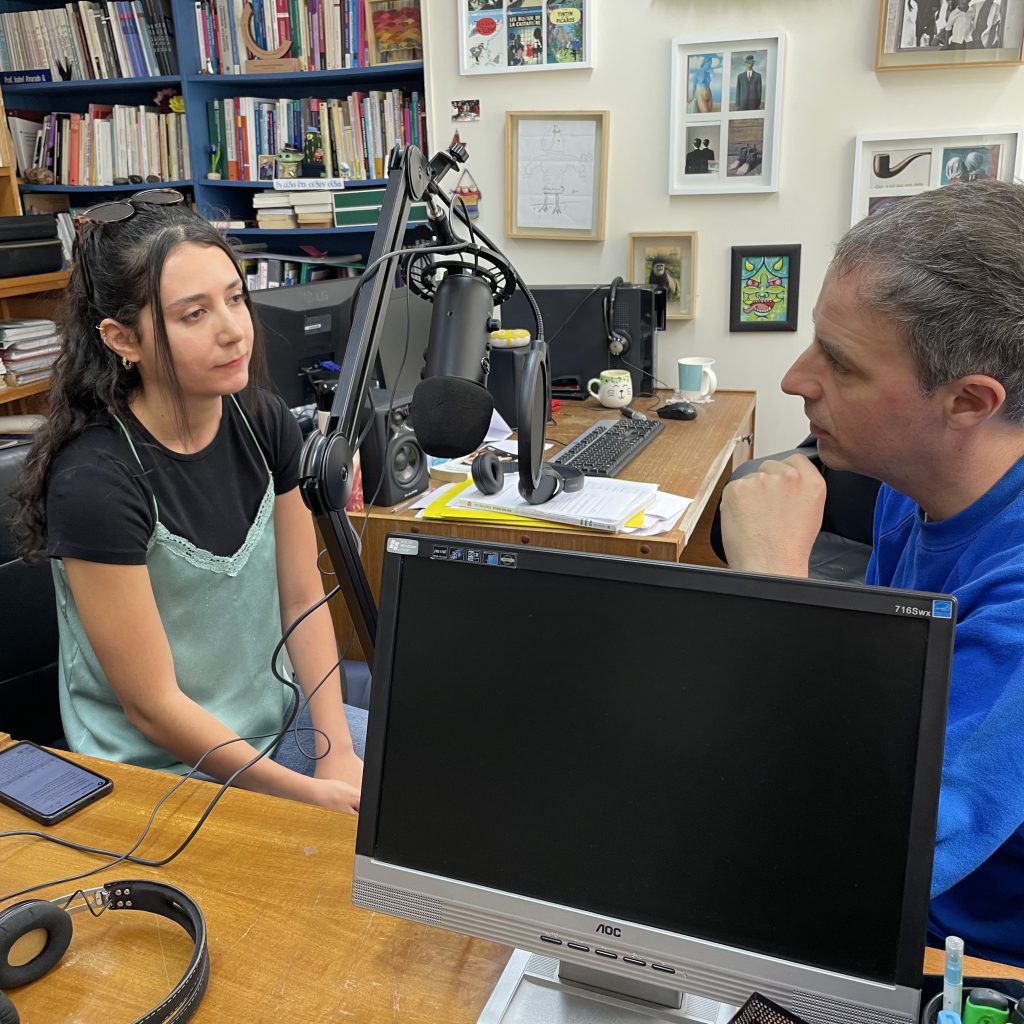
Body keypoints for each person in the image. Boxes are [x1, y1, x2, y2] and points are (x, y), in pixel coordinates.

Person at [719, 178, 1024, 967]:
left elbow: (865, 857)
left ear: (968, 402)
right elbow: (883, 713)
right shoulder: (911, 483)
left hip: (945, 950)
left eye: (842, 365)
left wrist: (775, 589)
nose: (795, 378)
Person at [13, 192, 366, 813]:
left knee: (433, 797)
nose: (233, 330)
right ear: (124, 339)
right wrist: (311, 796)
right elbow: (153, 708)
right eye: (193, 314)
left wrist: (334, 749)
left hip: (279, 733)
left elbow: (303, 596)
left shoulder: (263, 418)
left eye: (235, 298)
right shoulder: (95, 479)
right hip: (161, 774)